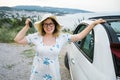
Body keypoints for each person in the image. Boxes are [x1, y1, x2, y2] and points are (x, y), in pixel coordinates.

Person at [14, 14, 106, 80]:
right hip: (38, 73)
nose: (48, 26)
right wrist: (26, 26)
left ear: (55, 25)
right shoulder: (37, 36)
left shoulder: (62, 37)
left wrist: (93, 24)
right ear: (42, 26)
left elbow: (79, 36)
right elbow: (17, 39)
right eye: (45, 24)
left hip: (53, 73)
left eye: (51, 24)